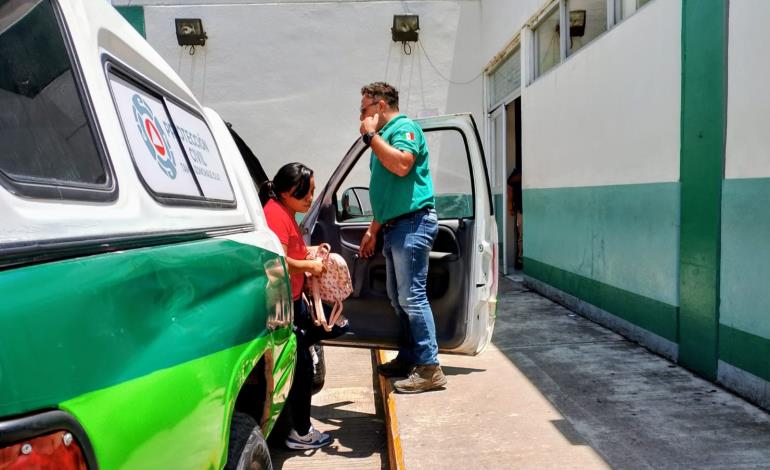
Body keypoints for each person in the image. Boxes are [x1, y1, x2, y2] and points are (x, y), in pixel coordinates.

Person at [357, 82, 446, 394]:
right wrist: (372, 230)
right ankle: (411, 357)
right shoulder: (386, 136)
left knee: (412, 297)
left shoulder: (403, 128)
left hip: (413, 223)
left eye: (365, 110)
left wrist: (371, 136)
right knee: (399, 298)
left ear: (381, 106)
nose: (362, 117)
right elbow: (390, 192)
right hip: (395, 225)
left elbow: (402, 164)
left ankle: (430, 368)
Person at [259, 162, 346, 449]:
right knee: (303, 367)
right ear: (287, 192)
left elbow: (289, 252)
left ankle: (299, 426)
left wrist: (311, 254)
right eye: (306, 192)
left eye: (312, 191)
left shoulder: (284, 211)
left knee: (310, 355)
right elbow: (278, 262)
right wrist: (310, 264)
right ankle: (300, 431)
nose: (311, 197)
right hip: (285, 304)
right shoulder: (275, 215)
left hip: (295, 299)